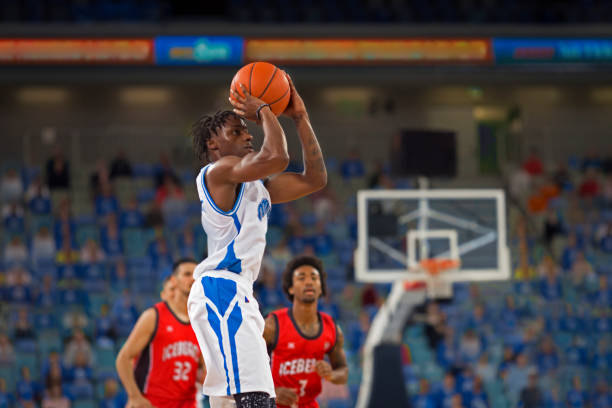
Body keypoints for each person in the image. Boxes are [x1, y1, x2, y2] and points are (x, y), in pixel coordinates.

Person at [187, 73, 327, 408]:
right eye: (236, 131)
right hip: (222, 289)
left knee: (232, 402)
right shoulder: (216, 173)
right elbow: (277, 158)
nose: (248, 134)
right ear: (213, 144)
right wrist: (264, 108)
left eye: (246, 128)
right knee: (258, 397)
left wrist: (301, 117)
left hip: (236, 292)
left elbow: (315, 178)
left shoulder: (256, 187)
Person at [116, 259, 203, 408]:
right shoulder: (154, 316)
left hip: (188, 403)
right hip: (154, 402)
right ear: (174, 281)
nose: (192, 279)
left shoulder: (202, 321)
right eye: (187, 274)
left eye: (196, 275)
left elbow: (205, 368)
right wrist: (134, 396)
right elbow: (123, 359)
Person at [264, 256, 348, 408]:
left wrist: (331, 374)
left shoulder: (331, 328)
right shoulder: (272, 325)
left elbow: (343, 372)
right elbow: (248, 368)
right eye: (301, 278)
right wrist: (272, 392)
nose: (309, 282)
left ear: (321, 287)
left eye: (314, 278)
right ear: (291, 287)